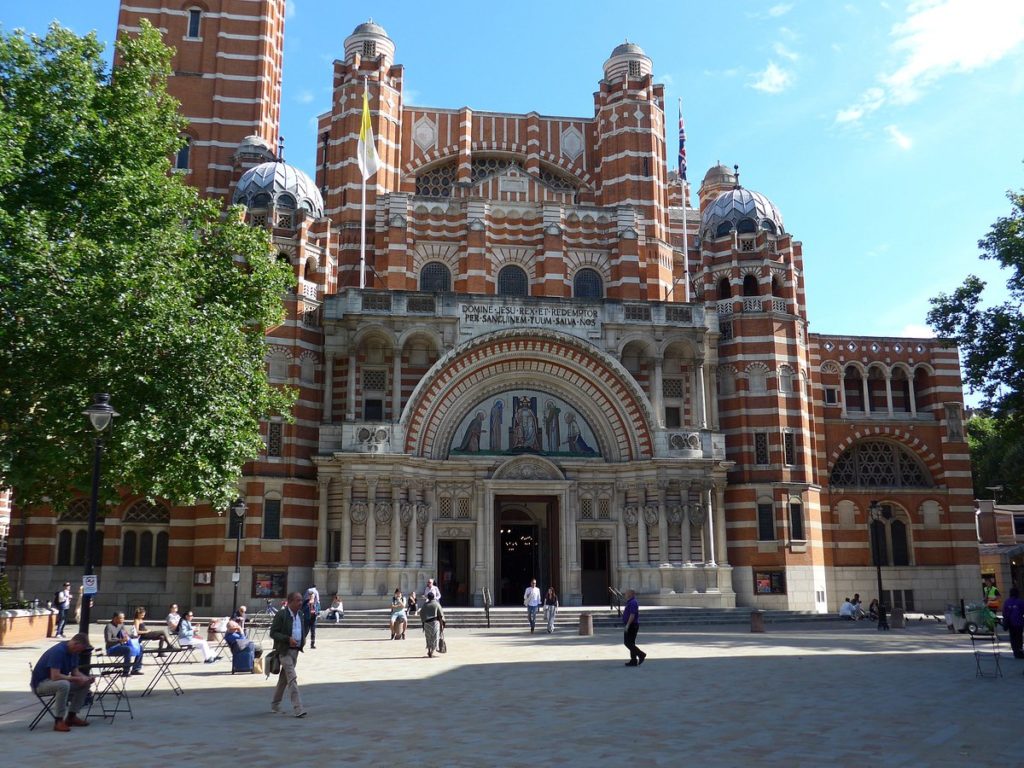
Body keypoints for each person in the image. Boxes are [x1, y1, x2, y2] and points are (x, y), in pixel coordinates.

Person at [30, 633, 95, 732]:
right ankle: (59, 721)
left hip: (56, 681)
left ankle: (72, 716)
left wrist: (86, 678)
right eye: (79, 650)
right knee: (63, 685)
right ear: (75, 644)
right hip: (41, 684)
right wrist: (76, 679)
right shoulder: (58, 651)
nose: (79, 652)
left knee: (84, 684)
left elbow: (75, 671)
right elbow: (55, 676)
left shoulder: (74, 652)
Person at [269, 591, 309, 717]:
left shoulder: (301, 614)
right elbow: (273, 633)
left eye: (301, 600)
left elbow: (303, 628)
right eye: (298, 600)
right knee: (292, 678)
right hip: (284, 651)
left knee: (284, 679)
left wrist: (302, 640)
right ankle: (298, 708)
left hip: (295, 651)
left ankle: (275, 704)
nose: (300, 603)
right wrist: (287, 639)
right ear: (290, 602)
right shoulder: (282, 614)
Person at [104, 612, 143, 676]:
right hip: (112, 648)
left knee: (140, 647)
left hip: (121, 645)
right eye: (121, 618)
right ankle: (126, 671)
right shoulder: (109, 627)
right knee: (127, 649)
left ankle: (136, 668)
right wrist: (121, 640)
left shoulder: (121, 625)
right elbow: (108, 640)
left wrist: (133, 636)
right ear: (115, 618)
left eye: (123, 618)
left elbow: (126, 634)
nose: (123, 620)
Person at [622, 588, 646, 666]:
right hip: (631, 624)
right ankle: (633, 660)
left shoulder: (633, 602)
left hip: (632, 625)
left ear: (631, 594)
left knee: (627, 643)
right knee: (631, 643)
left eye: (626, 593)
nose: (625, 594)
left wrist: (628, 625)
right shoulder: (630, 602)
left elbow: (632, 615)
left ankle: (641, 654)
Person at [419, 592, 445, 658]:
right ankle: (432, 652)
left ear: (428, 597)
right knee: (435, 638)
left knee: (428, 637)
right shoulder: (436, 604)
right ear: (434, 597)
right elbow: (441, 615)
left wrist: (424, 621)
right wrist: (442, 625)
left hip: (427, 623)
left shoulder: (425, 605)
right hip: (434, 622)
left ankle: (429, 650)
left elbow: (421, 613)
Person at [1002, 587, 1024, 659]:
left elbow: (1004, 613)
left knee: (1013, 637)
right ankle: (1019, 651)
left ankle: (1015, 651)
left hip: (1010, 623)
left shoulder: (1006, 602)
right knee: (1019, 637)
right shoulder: (1020, 601)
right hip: (1018, 623)